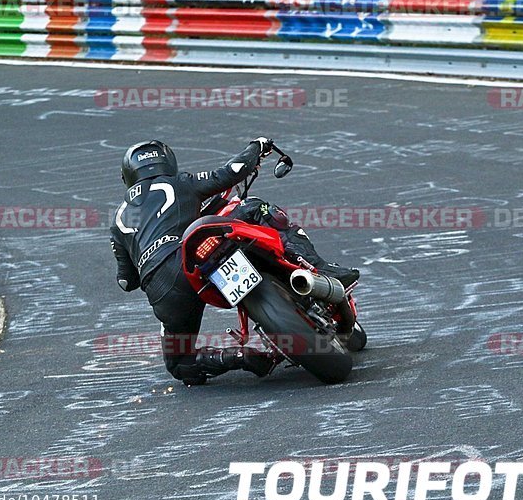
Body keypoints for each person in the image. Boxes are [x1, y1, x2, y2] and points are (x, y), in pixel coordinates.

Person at [110, 138, 359, 385]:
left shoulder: (119, 218)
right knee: (254, 207)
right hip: (186, 256)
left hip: (162, 289)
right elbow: (232, 172)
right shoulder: (176, 183)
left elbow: (126, 280)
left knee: (180, 363)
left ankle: (238, 357)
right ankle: (317, 266)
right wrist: (258, 147)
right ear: (168, 163)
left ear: (127, 176)